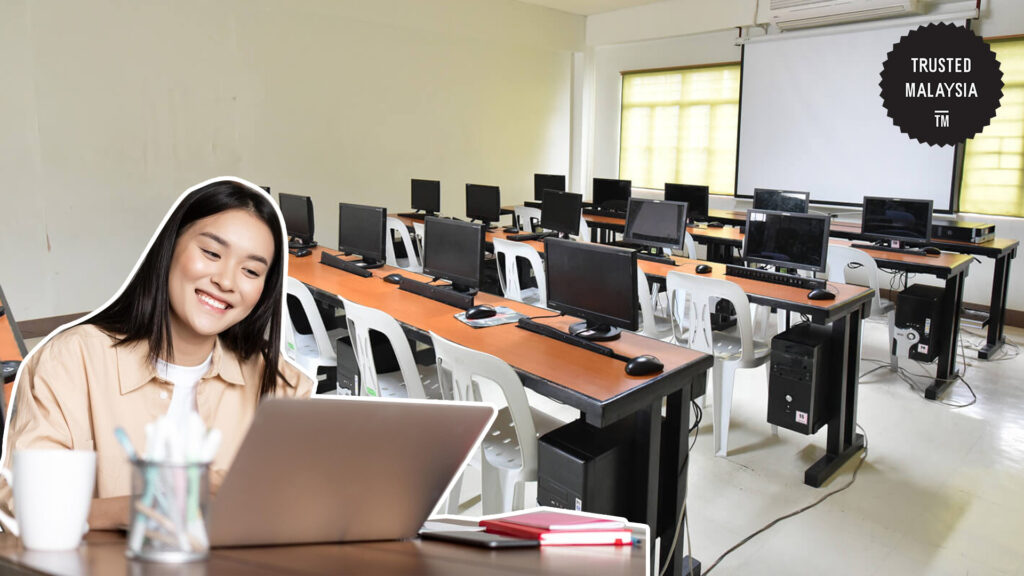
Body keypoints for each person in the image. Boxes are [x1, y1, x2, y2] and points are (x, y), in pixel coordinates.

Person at [0, 178, 313, 529]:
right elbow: (26, 500)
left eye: (251, 271)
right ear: (169, 247)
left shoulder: (281, 386)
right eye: (211, 253)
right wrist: (137, 507)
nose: (226, 281)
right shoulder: (73, 360)